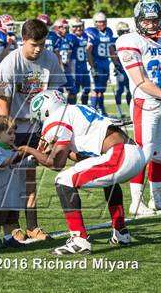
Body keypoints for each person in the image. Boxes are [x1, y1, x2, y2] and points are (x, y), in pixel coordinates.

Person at [18, 90, 147, 255]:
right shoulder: (76, 110)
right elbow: (82, 156)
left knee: (62, 180)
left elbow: (57, 163)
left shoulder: (57, 117)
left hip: (120, 155)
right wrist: (50, 152)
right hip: (134, 154)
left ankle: (79, 240)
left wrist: (28, 150)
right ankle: (121, 232)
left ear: (45, 110)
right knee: (108, 181)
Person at [0, 19, 67, 240]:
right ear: (23, 40)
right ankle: (13, 228)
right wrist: (8, 138)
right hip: (11, 127)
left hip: (36, 127)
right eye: (34, 44)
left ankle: (33, 226)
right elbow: (3, 104)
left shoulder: (50, 59)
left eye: (42, 44)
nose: (38, 49)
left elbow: (56, 98)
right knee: (10, 180)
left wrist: (50, 132)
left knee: (30, 179)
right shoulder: (10, 64)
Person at [115, 0, 161, 215]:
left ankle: (157, 197)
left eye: (154, 20)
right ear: (138, 21)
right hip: (146, 103)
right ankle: (136, 201)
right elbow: (140, 80)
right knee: (144, 152)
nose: (151, 24)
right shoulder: (130, 41)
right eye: (146, 20)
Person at [0, 115, 33, 249]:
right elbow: (3, 163)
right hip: (0, 192)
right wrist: (18, 155)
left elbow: (24, 164)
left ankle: (8, 238)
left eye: (14, 132)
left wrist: (33, 157)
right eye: (9, 133)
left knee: (11, 216)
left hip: (13, 192)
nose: (13, 136)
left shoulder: (14, 149)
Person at [86, 12, 119, 115]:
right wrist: (92, 66)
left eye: (103, 21)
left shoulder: (109, 31)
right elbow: (88, 51)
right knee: (96, 89)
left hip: (105, 63)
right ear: (95, 23)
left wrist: (116, 64)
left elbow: (110, 49)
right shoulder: (92, 32)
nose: (102, 24)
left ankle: (101, 109)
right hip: (97, 63)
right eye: (99, 22)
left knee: (102, 89)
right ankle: (93, 109)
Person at [67, 17, 91, 105]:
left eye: (80, 26)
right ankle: (70, 110)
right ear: (70, 27)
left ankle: (84, 109)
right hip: (74, 66)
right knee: (74, 90)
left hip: (84, 65)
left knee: (87, 89)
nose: (78, 28)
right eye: (75, 26)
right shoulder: (70, 37)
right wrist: (69, 69)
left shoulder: (85, 35)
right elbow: (68, 55)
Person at [113, 22, 132, 118]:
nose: (126, 33)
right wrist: (116, 67)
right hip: (121, 69)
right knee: (119, 90)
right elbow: (113, 55)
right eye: (123, 31)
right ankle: (119, 111)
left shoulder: (130, 41)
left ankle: (130, 110)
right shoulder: (115, 42)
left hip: (130, 69)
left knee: (130, 90)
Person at [53, 18, 74, 101]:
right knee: (58, 92)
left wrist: (69, 68)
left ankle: (70, 110)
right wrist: (61, 67)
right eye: (63, 28)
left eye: (66, 28)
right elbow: (57, 54)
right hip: (57, 69)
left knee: (73, 90)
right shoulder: (53, 38)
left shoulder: (67, 39)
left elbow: (69, 56)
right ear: (57, 28)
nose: (65, 30)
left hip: (66, 68)